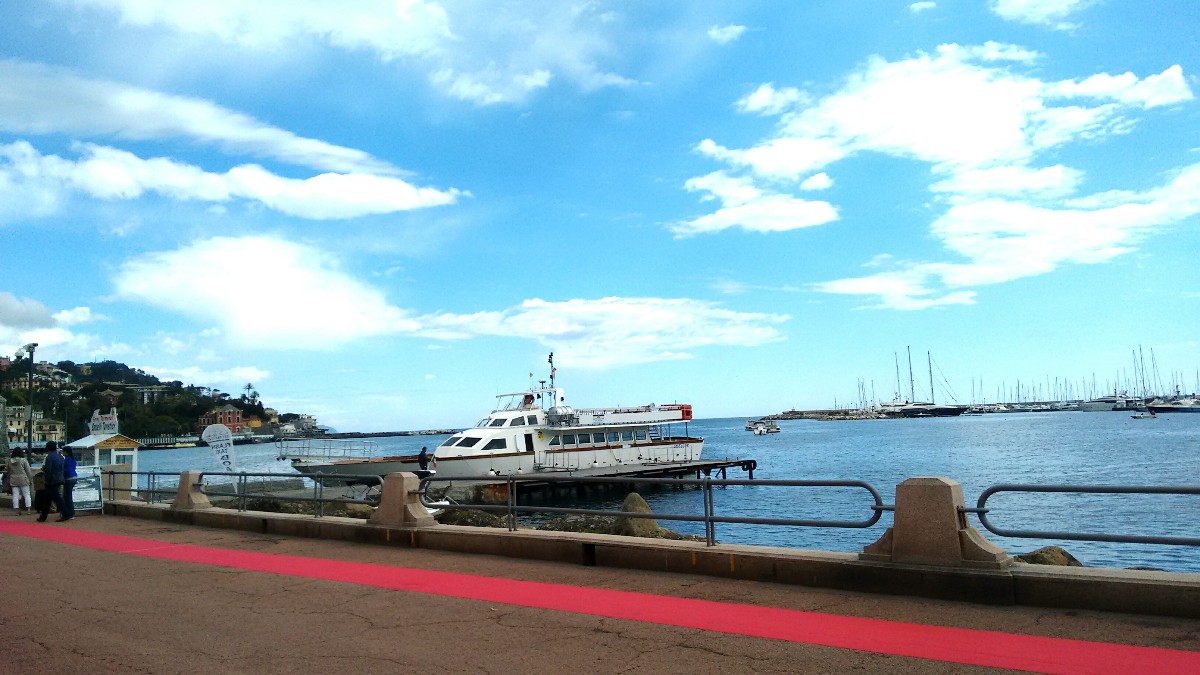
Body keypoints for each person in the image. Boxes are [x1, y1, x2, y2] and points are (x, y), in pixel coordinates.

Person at [37, 441, 70, 523]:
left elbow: (49, 470)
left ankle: (66, 514)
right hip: (60, 478)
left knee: (56, 498)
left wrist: (46, 480)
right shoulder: (60, 457)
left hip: (52, 480)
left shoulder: (49, 457)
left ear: (48, 448)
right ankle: (43, 516)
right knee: (48, 498)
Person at [7, 449, 36, 515]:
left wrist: (8, 480)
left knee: (15, 495)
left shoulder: (9, 461)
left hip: (13, 479)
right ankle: (28, 509)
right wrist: (30, 480)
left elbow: (8, 472)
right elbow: (28, 471)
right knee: (27, 494)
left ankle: (17, 510)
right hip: (23, 479)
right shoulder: (23, 460)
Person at [62, 446, 78, 520]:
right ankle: (70, 512)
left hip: (69, 478)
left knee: (67, 496)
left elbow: (66, 470)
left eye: (63, 451)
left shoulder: (66, 460)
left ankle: (70, 513)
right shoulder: (72, 459)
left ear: (66, 452)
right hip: (74, 477)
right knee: (68, 496)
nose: (62, 452)